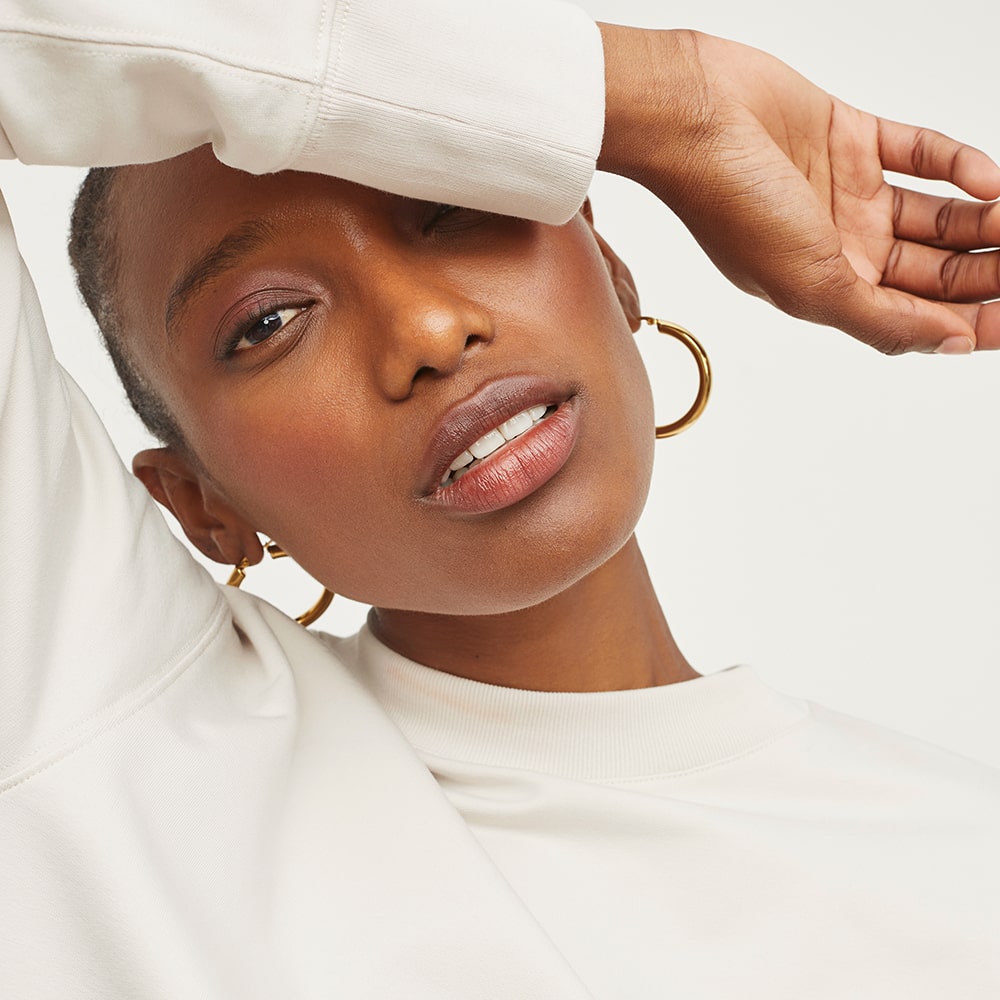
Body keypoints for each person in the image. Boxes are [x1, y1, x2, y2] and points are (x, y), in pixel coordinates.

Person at [2, 2, 999, 998]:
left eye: (450, 212)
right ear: (199, 503)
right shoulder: (122, 762)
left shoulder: (962, 863)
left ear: (609, 265)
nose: (431, 330)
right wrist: (652, 97)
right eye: (269, 321)